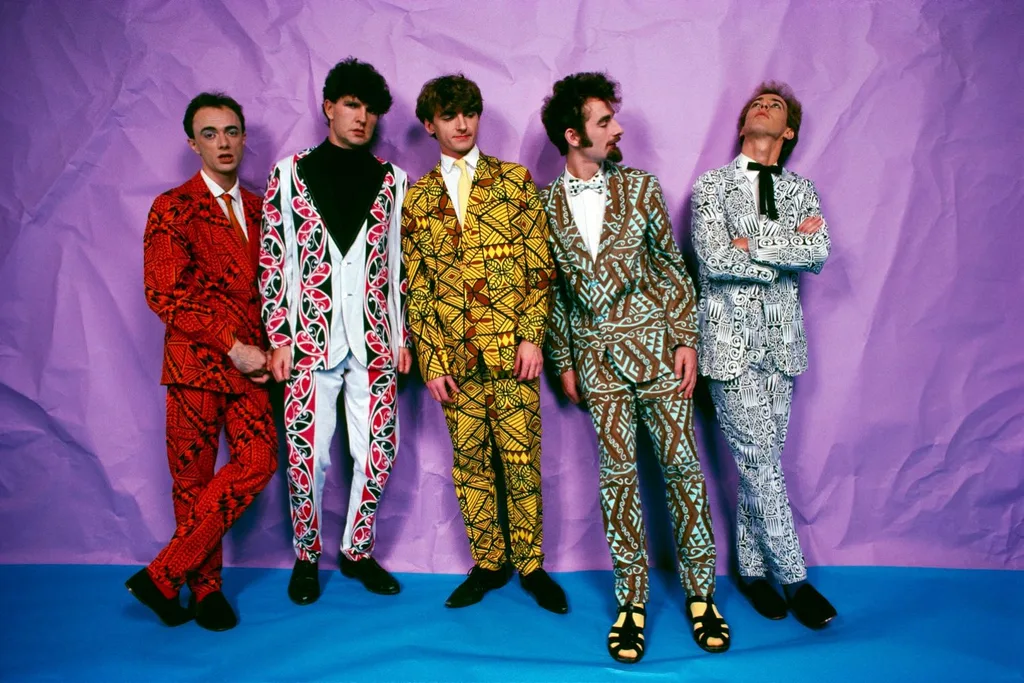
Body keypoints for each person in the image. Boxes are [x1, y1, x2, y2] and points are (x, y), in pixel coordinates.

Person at [540, 72, 728, 662]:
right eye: (603, 122)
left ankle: (703, 596)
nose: (617, 130)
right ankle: (631, 601)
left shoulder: (643, 188)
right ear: (573, 135)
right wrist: (564, 359)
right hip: (596, 364)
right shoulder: (543, 206)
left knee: (683, 471)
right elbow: (553, 294)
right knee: (617, 483)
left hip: (658, 354)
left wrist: (685, 339)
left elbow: (673, 270)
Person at [401, 73, 567, 614]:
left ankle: (532, 564)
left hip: (511, 352)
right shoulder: (419, 198)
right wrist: (430, 361)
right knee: (470, 463)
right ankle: (489, 561)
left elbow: (539, 266)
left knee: (522, 459)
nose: (462, 123)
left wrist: (531, 336)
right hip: (454, 359)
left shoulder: (514, 181)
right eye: (449, 115)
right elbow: (417, 284)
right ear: (431, 125)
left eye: (469, 112)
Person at [260, 58, 410, 605]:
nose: (361, 117)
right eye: (352, 105)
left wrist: (402, 338)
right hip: (307, 340)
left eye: (370, 110)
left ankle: (357, 551)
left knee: (378, 451)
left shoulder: (393, 181)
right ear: (329, 106)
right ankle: (307, 554)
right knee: (309, 453)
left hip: (373, 339)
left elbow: (398, 268)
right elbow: (274, 261)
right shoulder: (288, 174)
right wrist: (278, 336)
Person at [128, 92, 277, 631]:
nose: (223, 142)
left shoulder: (264, 208)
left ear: (243, 137)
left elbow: (280, 288)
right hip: (196, 365)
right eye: (210, 133)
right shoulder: (173, 206)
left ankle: (162, 573)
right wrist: (231, 345)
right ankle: (205, 589)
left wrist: (268, 349)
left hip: (254, 368)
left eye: (232, 131)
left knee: (258, 462)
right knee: (191, 482)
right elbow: (164, 292)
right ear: (193, 142)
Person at [690, 81, 836, 630]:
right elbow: (714, 259)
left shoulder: (803, 189)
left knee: (763, 463)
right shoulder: (711, 186)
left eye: (776, 106)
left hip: (783, 348)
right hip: (729, 345)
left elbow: (818, 253)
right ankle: (794, 580)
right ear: (742, 123)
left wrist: (755, 244)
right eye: (756, 103)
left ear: (789, 131)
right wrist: (785, 248)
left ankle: (751, 571)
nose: (763, 107)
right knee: (760, 462)